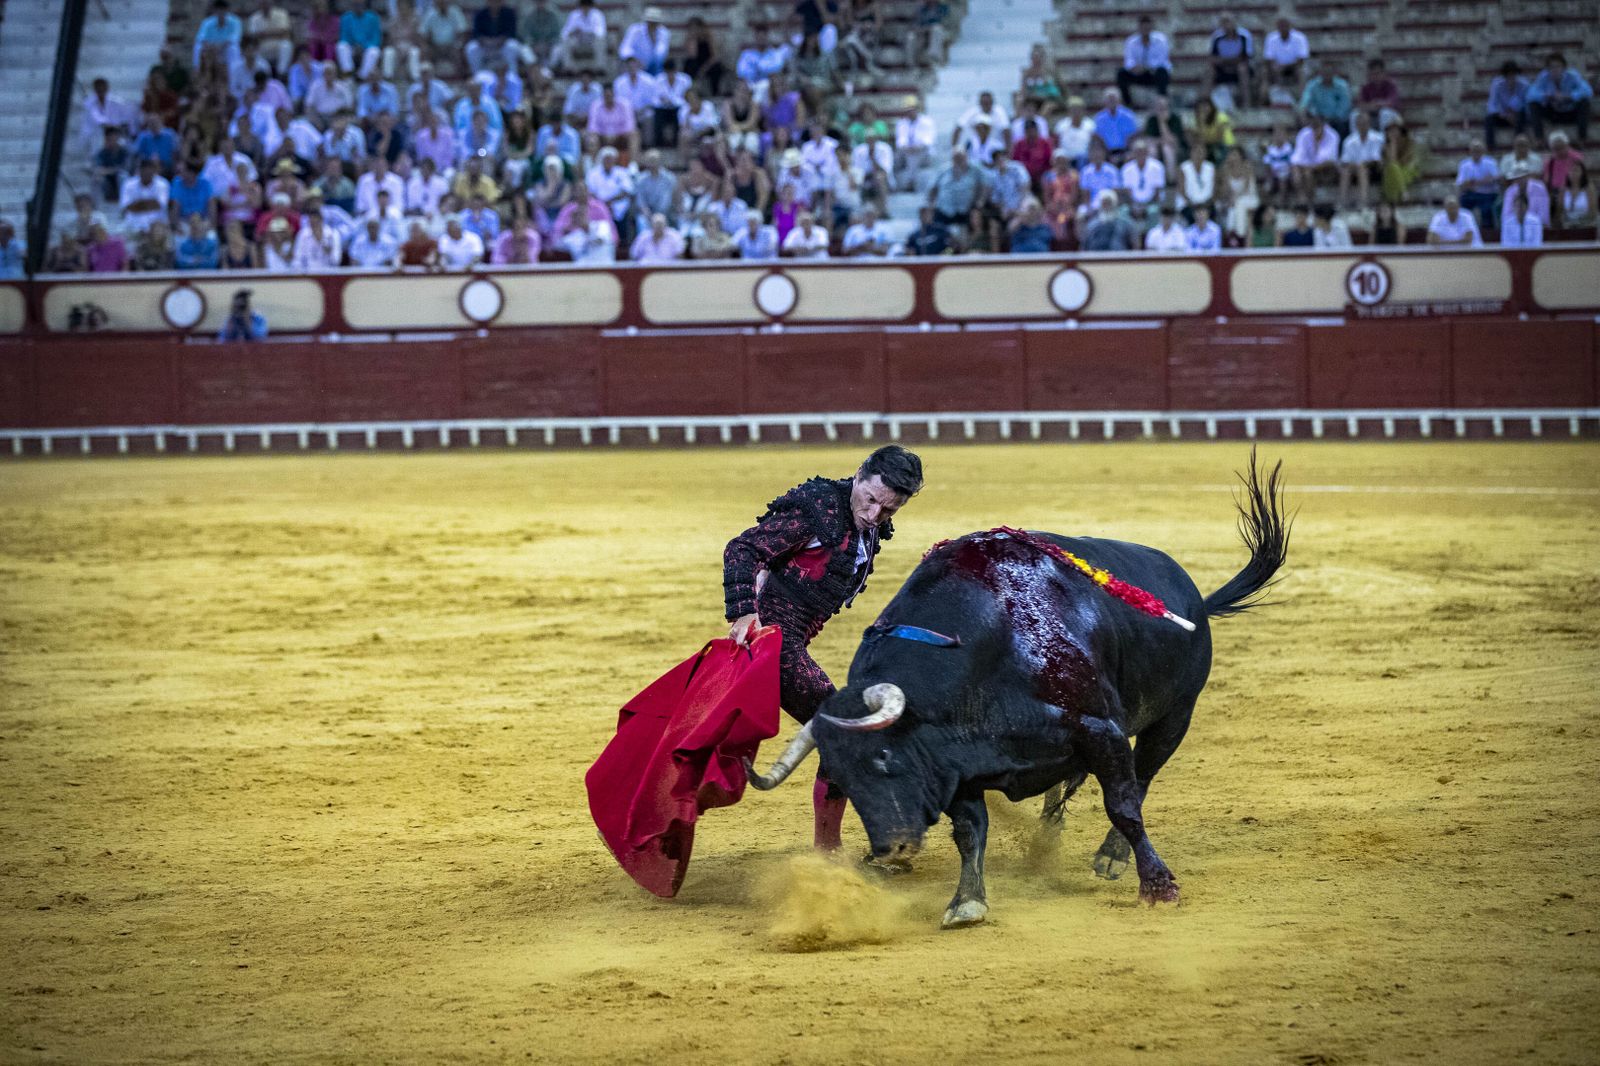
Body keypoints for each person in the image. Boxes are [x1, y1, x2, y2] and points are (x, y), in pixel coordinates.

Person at [722, 445, 924, 853]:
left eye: (888, 512)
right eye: (870, 501)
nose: (874, 516)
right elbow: (742, 549)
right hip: (773, 641)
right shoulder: (817, 509)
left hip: (790, 642)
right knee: (843, 729)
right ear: (859, 475)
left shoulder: (866, 520)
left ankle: (870, 839)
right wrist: (743, 612)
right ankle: (831, 851)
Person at [1526, 53, 1592, 144]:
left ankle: (1582, 138)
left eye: (1558, 66)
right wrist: (1548, 96)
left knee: (1585, 102)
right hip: (1553, 113)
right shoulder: (1543, 77)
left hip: (1570, 112)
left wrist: (1568, 96)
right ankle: (1539, 138)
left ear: (1564, 68)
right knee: (1533, 104)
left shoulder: (1572, 75)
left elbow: (1588, 91)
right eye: (1552, 67)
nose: (1555, 70)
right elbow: (1530, 95)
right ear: (1548, 69)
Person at [1117, 15, 1170, 104]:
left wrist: (1146, 67)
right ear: (1139, 28)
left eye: (1147, 27)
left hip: (1154, 73)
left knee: (1163, 72)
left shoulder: (1161, 40)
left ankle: (1162, 103)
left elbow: (1162, 60)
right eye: (1143, 27)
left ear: (1151, 27)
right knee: (1121, 73)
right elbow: (1128, 61)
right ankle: (1128, 104)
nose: (1145, 30)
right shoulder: (1131, 41)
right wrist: (1134, 68)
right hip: (1138, 74)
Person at [1204, 14, 1252, 110]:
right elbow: (1212, 58)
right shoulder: (1217, 37)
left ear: (1234, 23)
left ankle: (1246, 103)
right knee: (1209, 71)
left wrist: (1226, 61)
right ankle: (1205, 103)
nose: (1226, 25)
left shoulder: (1244, 36)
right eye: (1223, 22)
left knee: (1242, 69)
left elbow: (1245, 57)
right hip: (1222, 68)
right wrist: (1227, 61)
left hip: (1238, 67)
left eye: (1228, 22)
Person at [1339, 109, 1384, 210]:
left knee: (1361, 168)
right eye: (1360, 124)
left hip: (1374, 170)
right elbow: (1345, 161)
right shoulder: (1349, 141)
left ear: (1369, 124)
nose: (1363, 126)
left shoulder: (1378, 138)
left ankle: (1364, 202)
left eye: (1365, 123)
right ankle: (1343, 201)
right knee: (1346, 171)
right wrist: (1356, 165)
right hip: (1354, 170)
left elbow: (1376, 159)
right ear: (1356, 125)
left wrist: (1360, 164)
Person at [1291, 114, 1339, 201]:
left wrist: (1311, 167)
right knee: (1301, 173)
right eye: (1313, 127)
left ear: (1323, 125)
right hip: (1307, 167)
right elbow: (1297, 158)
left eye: (1318, 126)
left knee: (1308, 172)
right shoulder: (1304, 134)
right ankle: (1303, 201)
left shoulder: (1332, 135)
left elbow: (1329, 159)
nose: (1315, 130)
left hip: (1327, 168)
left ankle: (1311, 202)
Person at [1300, 59, 1353, 137]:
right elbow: (1305, 102)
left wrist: (1332, 119)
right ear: (1320, 72)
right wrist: (1306, 111)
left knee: (1341, 126)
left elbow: (1345, 105)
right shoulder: (1312, 85)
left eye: (1329, 72)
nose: (1327, 74)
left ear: (1334, 73)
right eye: (1324, 72)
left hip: (1336, 120)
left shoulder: (1342, 86)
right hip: (1317, 119)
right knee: (1307, 124)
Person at [1485, 61, 1529, 153]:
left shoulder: (1524, 85)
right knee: (1489, 119)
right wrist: (1503, 115)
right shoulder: (1497, 84)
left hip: (1518, 116)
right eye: (1509, 76)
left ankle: (1519, 145)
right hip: (1502, 116)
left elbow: (1526, 104)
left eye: (1513, 75)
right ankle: (1491, 147)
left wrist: (1514, 113)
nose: (1511, 79)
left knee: (1522, 115)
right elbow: (1491, 105)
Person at [466, 0, 522, 72]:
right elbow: (476, 33)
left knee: (512, 46)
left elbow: (512, 32)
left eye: (497, 1)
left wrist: (500, 40)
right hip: (485, 45)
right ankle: (477, 76)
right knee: (471, 48)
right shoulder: (480, 14)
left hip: (502, 45)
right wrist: (485, 40)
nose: (494, 4)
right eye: (492, 1)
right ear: (487, 2)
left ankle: (512, 74)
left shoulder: (509, 13)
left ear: (502, 2)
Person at [1457, 139, 1501, 230]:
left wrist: (1475, 182)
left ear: (1483, 151)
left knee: (1486, 209)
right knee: (1462, 205)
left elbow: (1496, 178)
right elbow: (1461, 184)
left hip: (1488, 194)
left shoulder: (1490, 162)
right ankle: (1463, 230)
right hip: (1471, 194)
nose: (1476, 152)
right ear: (1470, 151)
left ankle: (1488, 233)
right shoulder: (1464, 164)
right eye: (1474, 150)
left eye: (1478, 150)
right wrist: (1483, 181)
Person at [1261, 16, 1308, 102]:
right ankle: (1266, 101)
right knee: (1265, 72)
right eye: (1281, 25)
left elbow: (1301, 59)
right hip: (1277, 67)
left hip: (1294, 67)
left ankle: (1303, 100)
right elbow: (1269, 58)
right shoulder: (1271, 38)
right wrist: (1276, 67)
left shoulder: (1300, 38)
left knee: (1302, 72)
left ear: (1290, 25)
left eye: (1285, 25)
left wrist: (1285, 66)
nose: (1283, 28)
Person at [337, 0, 385, 79]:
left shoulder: (373, 17)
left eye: (359, 4)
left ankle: (363, 76)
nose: (358, 6)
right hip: (352, 47)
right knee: (341, 46)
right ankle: (348, 74)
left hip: (367, 47)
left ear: (364, 4)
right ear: (352, 5)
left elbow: (376, 38)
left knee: (374, 51)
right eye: (355, 4)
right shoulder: (346, 17)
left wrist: (364, 46)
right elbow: (343, 37)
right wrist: (355, 46)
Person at [1092, 88, 1139, 159]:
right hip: (1106, 153)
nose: (1111, 101)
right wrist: (1106, 154)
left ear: (1119, 100)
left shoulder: (1128, 115)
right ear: (1104, 101)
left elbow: (1133, 135)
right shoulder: (1099, 118)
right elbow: (1098, 137)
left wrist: (1127, 153)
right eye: (1109, 99)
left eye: (1114, 99)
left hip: (1126, 152)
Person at [194, 0, 243, 67]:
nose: (221, 12)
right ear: (214, 10)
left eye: (223, 9)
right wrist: (210, 46)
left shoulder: (235, 22)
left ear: (227, 10)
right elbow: (201, 38)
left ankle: (234, 70)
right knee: (198, 47)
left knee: (233, 48)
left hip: (225, 49)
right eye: (218, 9)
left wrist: (221, 46)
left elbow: (235, 38)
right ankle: (198, 70)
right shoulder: (207, 22)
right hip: (211, 49)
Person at [1052, 96, 1095, 167]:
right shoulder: (1061, 126)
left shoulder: (1090, 125)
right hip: (1066, 161)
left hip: (1085, 161)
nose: (1076, 112)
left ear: (1083, 111)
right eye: (1073, 109)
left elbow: (1094, 144)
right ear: (1068, 111)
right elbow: (1056, 144)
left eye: (1078, 109)